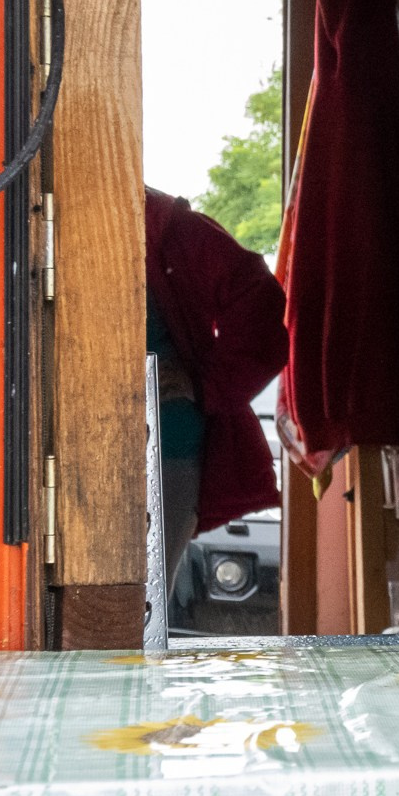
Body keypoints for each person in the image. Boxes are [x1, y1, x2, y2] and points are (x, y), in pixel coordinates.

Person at [145, 188, 288, 587]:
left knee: (140, 613)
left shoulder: (164, 226)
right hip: (69, 449)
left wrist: (207, 382)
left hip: (166, 452)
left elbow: (260, 303)